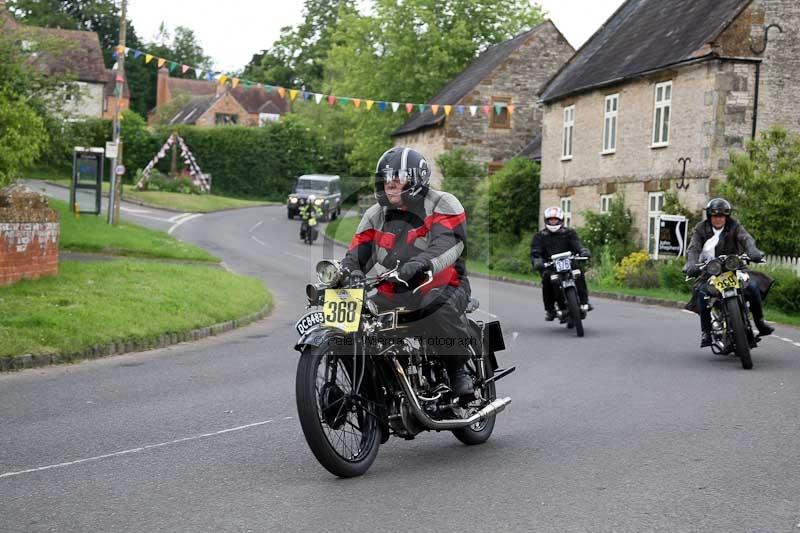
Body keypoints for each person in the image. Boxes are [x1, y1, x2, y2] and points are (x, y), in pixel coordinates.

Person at [341, 146, 475, 398]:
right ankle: (374, 387)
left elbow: (449, 243)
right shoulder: (375, 215)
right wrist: (349, 273)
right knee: (358, 318)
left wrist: (419, 265)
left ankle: (459, 371)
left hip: (445, 284)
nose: (389, 183)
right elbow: (357, 253)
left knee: (435, 305)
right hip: (394, 288)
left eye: (398, 176)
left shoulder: (443, 203)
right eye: (385, 177)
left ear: (416, 179)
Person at [683, 197, 774, 347]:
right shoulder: (701, 229)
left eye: (722, 216)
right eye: (715, 216)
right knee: (702, 293)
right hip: (711, 270)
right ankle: (706, 332)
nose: (719, 219)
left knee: (752, 287)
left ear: (726, 216)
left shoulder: (734, 226)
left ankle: (760, 323)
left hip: (735, 267)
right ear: (710, 216)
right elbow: (694, 248)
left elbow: (746, 239)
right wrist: (691, 263)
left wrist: (753, 252)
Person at [530, 206, 592, 321]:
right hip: (550, 265)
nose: (553, 222)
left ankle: (584, 301)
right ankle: (550, 309)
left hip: (568, 262)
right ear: (546, 220)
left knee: (578, 272)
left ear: (561, 220)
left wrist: (583, 251)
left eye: (555, 219)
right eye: (551, 220)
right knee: (547, 278)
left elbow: (577, 245)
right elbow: (535, 251)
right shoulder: (540, 236)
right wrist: (537, 260)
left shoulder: (569, 233)